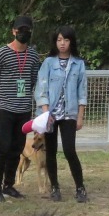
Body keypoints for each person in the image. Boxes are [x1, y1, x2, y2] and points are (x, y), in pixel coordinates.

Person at [0, 15, 41, 202]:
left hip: (23, 108)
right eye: (20, 30)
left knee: (17, 147)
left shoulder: (33, 55)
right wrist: (0, 99)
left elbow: (33, 79)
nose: (24, 33)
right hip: (4, 107)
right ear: (13, 31)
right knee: (3, 147)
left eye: (27, 30)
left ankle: (8, 185)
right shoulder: (1, 53)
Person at [34, 26, 88, 203]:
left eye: (65, 40)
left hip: (69, 114)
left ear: (71, 42)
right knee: (50, 151)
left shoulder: (78, 64)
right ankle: (55, 188)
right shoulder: (49, 63)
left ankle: (80, 188)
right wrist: (45, 114)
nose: (62, 43)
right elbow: (41, 89)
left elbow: (82, 92)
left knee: (69, 150)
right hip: (50, 114)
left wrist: (80, 116)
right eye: (59, 40)